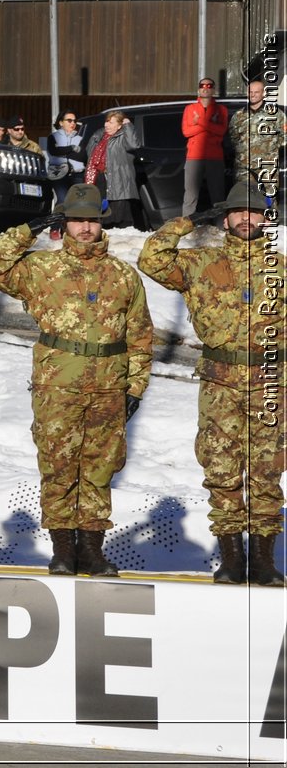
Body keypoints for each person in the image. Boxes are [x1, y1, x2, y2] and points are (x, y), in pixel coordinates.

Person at [0, 184, 153, 578]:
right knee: (58, 466)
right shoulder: (41, 268)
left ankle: (91, 550)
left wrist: (135, 388)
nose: (85, 228)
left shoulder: (123, 275)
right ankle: (62, 550)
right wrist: (28, 230)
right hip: (58, 384)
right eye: (77, 220)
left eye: (91, 220)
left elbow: (141, 337)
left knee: (99, 468)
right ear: (65, 224)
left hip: (109, 387)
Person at [138, 182, 284, 586]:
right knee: (221, 469)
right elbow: (151, 259)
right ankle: (233, 559)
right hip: (219, 383)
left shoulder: (281, 268)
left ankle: (266, 562)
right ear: (225, 219)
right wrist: (185, 223)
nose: (246, 218)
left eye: (254, 212)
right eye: (238, 212)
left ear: (265, 219)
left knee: (267, 472)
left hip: (271, 383)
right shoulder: (201, 263)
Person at [83, 110, 145, 229]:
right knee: (102, 214)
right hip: (99, 179)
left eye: (111, 122)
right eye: (106, 121)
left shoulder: (124, 136)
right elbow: (88, 153)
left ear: (119, 125)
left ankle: (122, 242)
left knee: (120, 216)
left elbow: (133, 145)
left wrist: (128, 125)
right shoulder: (99, 135)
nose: (107, 125)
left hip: (119, 180)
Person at [182, 77, 229, 216]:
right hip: (194, 157)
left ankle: (220, 227)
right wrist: (209, 126)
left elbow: (221, 131)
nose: (205, 88)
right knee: (190, 196)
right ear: (198, 89)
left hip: (215, 156)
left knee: (218, 195)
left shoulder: (221, 109)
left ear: (213, 90)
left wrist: (199, 122)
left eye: (209, 86)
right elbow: (186, 132)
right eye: (202, 85)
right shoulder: (190, 109)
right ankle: (186, 228)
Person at [228, 78, 283, 188]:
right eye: (250, 92)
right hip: (243, 167)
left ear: (263, 93)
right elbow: (233, 137)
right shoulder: (239, 115)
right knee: (244, 200)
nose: (252, 95)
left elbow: (283, 138)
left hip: (267, 166)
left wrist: (270, 152)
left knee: (269, 200)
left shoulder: (275, 115)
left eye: (256, 92)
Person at [46, 110, 87, 205]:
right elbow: (54, 151)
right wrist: (72, 148)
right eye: (69, 120)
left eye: (74, 121)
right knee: (62, 201)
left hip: (78, 175)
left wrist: (62, 152)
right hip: (59, 173)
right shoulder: (52, 137)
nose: (72, 123)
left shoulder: (80, 138)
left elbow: (82, 157)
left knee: (79, 203)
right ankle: (58, 219)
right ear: (61, 122)